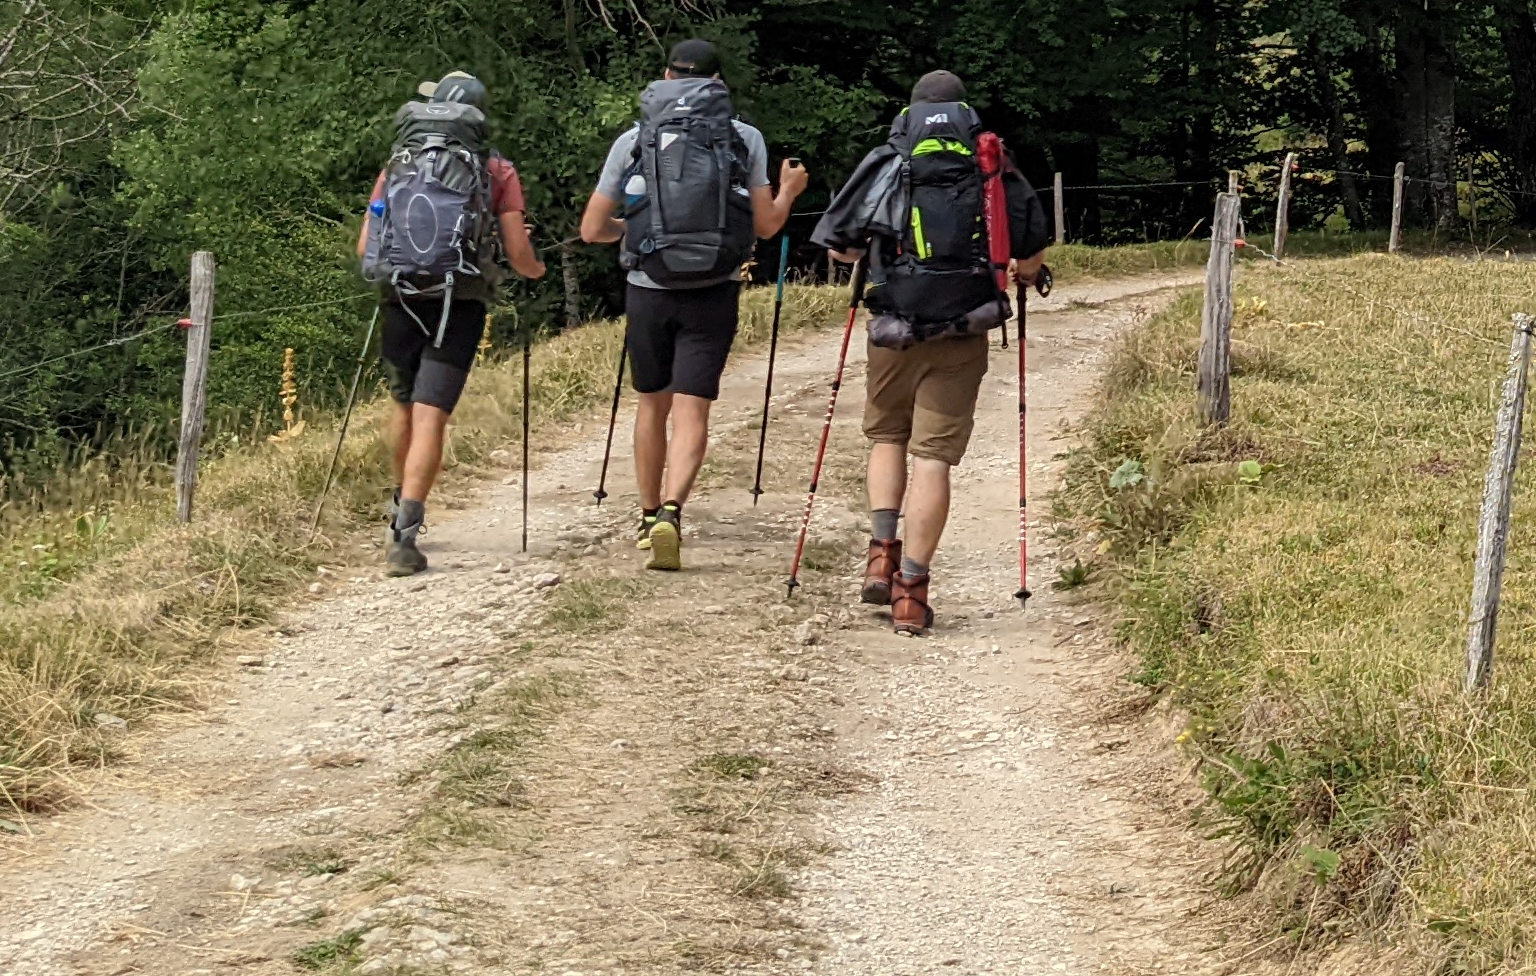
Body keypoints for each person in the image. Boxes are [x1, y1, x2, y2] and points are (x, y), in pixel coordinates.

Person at [814, 69, 1049, 634]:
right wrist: (1019, 269)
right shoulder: (990, 162)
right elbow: (1033, 250)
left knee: (887, 437)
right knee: (934, 459)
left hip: (894, 325)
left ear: (911, 112)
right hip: (963, 329)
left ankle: (880, 554)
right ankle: (912, 594)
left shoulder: (889, 159)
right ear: (964, 111)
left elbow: (841, 246)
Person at [580, 36, 805, 570]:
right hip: (715, 287)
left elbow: (591, 230)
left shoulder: (634, 139)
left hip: (649, 288)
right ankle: (673, 513)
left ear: (665, 76)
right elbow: (767, 225)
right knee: (693, 408)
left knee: (652, 404)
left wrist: (636, 233)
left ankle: (645, 511)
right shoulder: (743, 137)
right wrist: (791, 189)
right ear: (718, 84)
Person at [356, 70, 547, 576]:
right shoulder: (497, 170)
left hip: (398, 296)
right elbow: (519, 253)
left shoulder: (398, 163)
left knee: (403, 404)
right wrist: (535, 268)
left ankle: (399, 506)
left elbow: (366, 245)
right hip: (457, 303)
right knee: (431, 413)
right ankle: (406, 536)